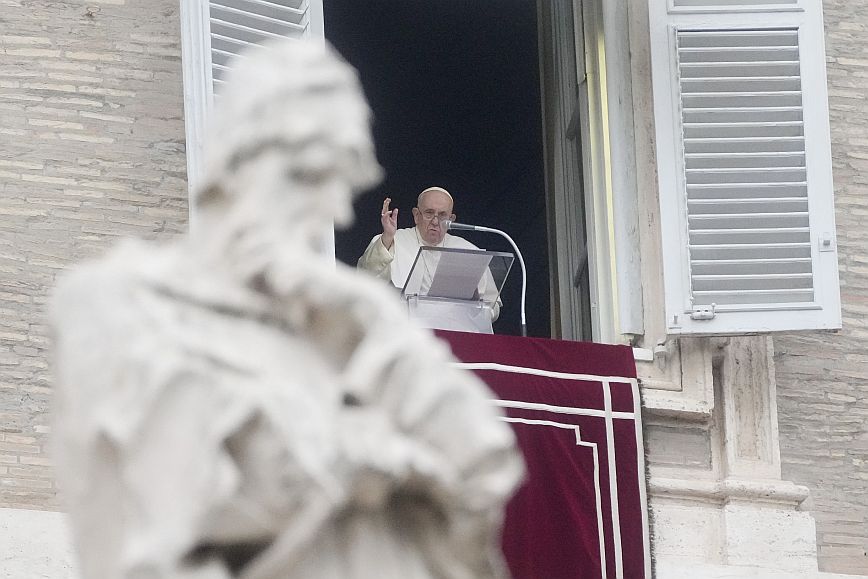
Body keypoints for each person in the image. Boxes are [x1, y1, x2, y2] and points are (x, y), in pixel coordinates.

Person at [50, 40, 523, 579]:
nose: (337, 208)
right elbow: (151, 517)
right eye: (313, 177)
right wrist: (355, 459)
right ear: (242, 158)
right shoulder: (117, 302)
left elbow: (485, 459)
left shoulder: (358, 316)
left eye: (342, 182)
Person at [358, 187, 501, 321]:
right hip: (404, 330)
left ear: (451, 220)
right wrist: (387, 237)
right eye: (429, 213)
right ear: (416, 215)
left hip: (456, 334)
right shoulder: (393, 240)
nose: (435, 221)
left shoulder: (469, 250)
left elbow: (493, 308)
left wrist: (476, 307)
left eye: (442, 215)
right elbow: (366, 278)